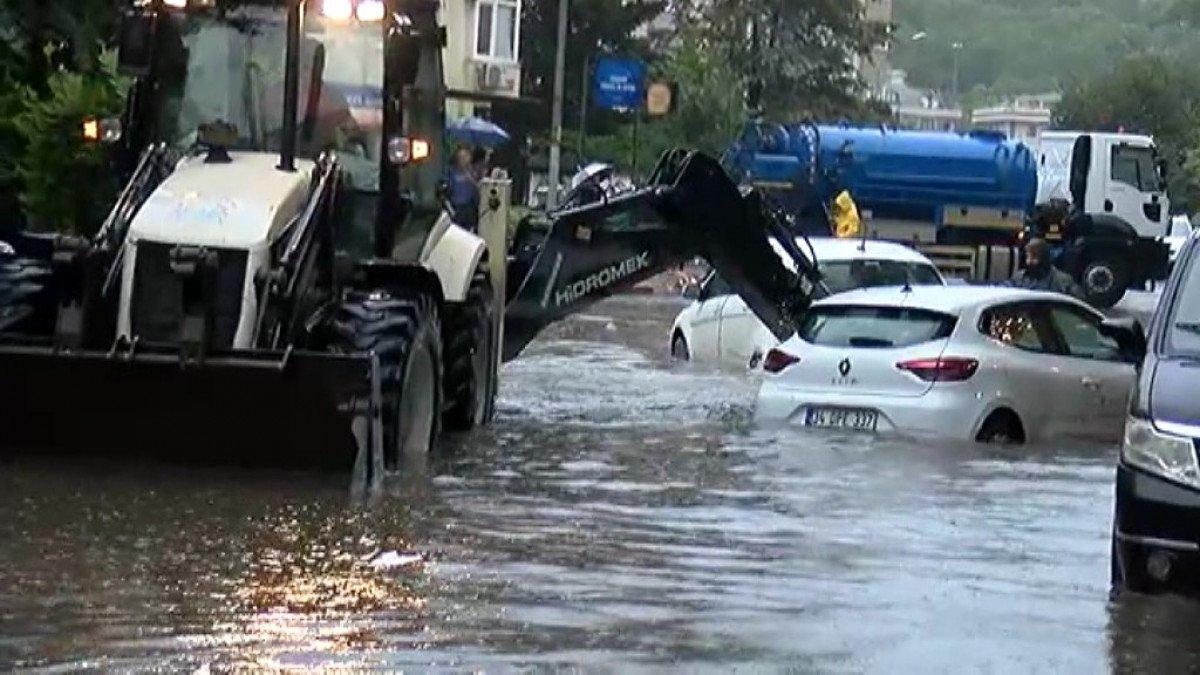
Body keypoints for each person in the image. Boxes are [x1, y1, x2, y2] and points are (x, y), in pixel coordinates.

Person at [1011, 237, 1084, 298]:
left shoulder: (1063, 282)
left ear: (1044, 258)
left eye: (1034, 257)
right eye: (1028, 257)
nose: (1029, 261)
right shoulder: (1019, 278)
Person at [448, 147, 480, 231]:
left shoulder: (473, 172)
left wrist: (472, 180)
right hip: (456, 208)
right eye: (461, 158)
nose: (463, 160)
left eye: (466, 157)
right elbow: (448, 188)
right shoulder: (452, 172)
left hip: (469, 208)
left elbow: (478, 191)